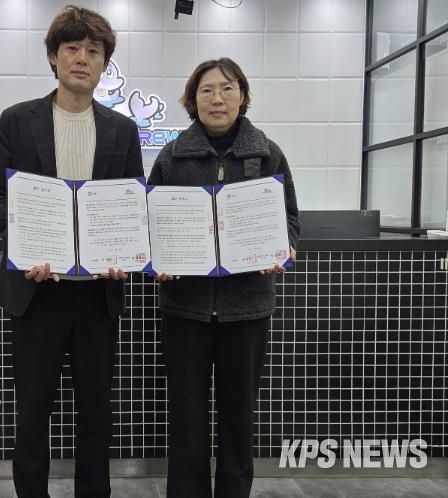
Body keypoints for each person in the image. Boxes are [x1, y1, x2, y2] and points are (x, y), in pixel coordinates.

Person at [0, 6, 143, 498]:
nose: (82, 58)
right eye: (72, 48)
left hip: (97, 295)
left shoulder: (122, 130)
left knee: (96, 414)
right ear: (53, 57)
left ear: (104, 63)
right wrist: (23, 242)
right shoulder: (17, 120)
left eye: (93, 51)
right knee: (33, 414)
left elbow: (131, 204)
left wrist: (124, 256)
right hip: (36, 292)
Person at [147, 58, 300, 498]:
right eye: (207, 90)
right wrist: (156, 257)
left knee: (238, 419)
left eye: (227, 88)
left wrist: (283, 248)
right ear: (193, 100)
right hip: (185, 310)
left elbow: (290, 218)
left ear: (242, 96)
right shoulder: (172, 156)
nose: (217, 98)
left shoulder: (267, 153)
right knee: (186, 420)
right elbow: (150, 221)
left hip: (247, 309)